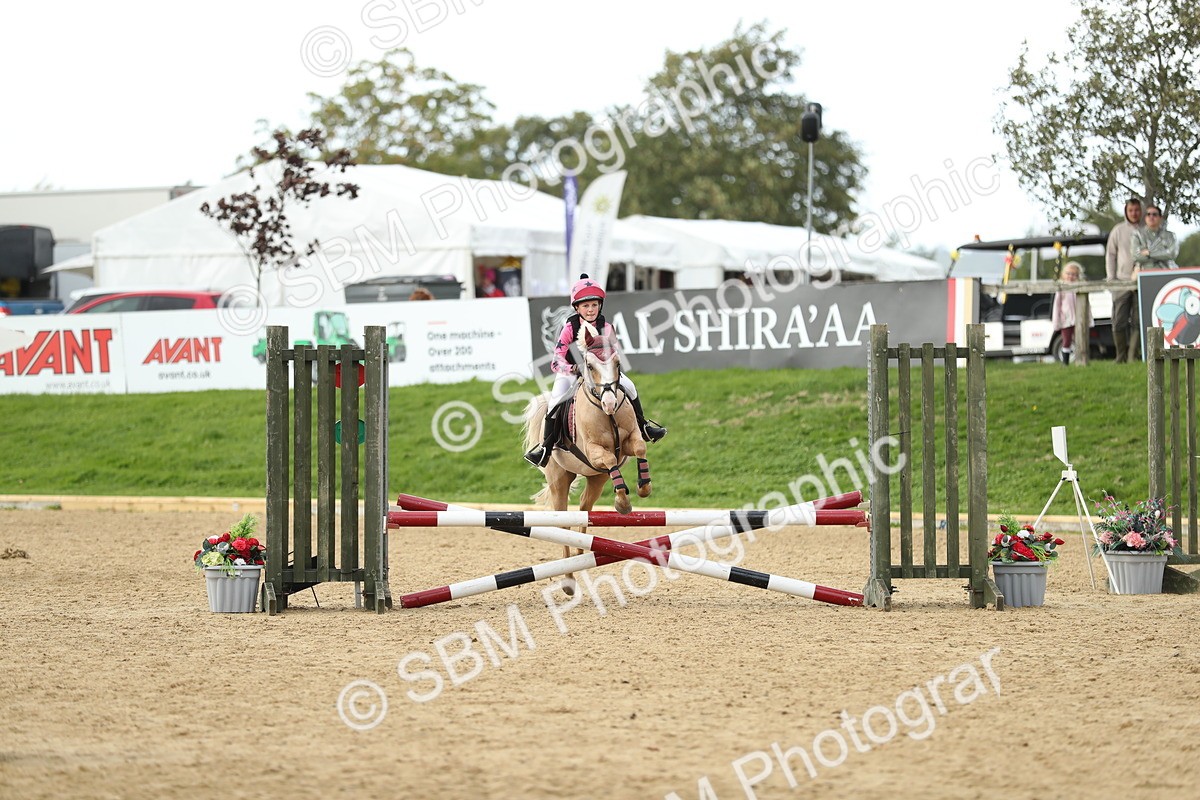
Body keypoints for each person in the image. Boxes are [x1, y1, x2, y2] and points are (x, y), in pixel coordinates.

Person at [523, 274, 667, 467]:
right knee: (554, 401)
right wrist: (574, 368)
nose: (590, 309)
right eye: (586, 306)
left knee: (630, 386)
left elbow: (615, 354)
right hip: (571, 372)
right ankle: (545, 449)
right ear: (577, 308)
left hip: (602, 374)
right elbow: (556, 360)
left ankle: (644, 427)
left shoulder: (606, 327)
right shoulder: (569, 328)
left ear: (600, 305)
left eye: (594, 305)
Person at [1106, 197, 1143, 363]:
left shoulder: (1146, 229)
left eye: (1136, 210)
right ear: (1126, 212)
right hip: (1121, 281)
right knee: (1119, 321)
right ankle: (1120, 356)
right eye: (1131, 210)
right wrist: (1111, 277)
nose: (1134, 213)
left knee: (1138, 321)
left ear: (1141, 211)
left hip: (1141, 282)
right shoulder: (1118, 230)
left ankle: (1132, 357)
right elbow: (1111, 255)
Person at [1051, 261, 1091, 366]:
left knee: (1081, 339)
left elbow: (1087, 304)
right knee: (1066, 340)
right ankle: (1065, 362)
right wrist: (1056, 322)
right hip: (1066, 319)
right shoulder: (1061, 287)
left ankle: (1082, 360)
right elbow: (1057, 306)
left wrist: (1089, 319)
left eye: (1073, 274)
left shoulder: (1080, 287)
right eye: (1068, 273)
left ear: (1078, 276)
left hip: (1079, 318)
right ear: (1063, 274)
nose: (1070, 276)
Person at [1131, 205, 1180, 272]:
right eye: (1148, 214)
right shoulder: (1137, 234)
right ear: (1145, 217)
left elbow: (1172, 254)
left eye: (1154, 214)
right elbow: (1136, 256)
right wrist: (1162, 253)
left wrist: (1149, 253)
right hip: (1144, 271)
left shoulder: (1170, 235)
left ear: (1160, 217)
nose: (1151, 217)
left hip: (1166, 270)